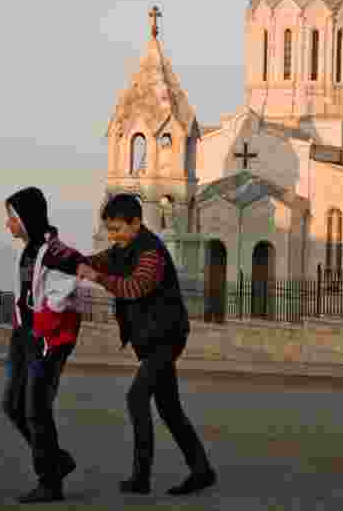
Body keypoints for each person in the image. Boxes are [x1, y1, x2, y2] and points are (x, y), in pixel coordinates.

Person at [77, 193, 216, 496]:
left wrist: (97, 277)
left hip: (166, 336)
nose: (112, 236)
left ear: (136, 223)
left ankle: (141, 478)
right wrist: (63, 259)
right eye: (109, 229)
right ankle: (202, 470)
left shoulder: (150, 252)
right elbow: (91, 261)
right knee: (169, 408)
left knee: (136, 398)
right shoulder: (122, 248)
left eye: (117, 229)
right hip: (152, 338)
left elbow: (134, 287)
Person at [2, 186, 91, 504]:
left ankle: (49, 480)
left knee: (36, 408)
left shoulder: (56, 252)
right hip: (23, 336)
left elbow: (75, 271)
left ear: (26, 218)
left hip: (47, 340)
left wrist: (44, 327)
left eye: (11, 218)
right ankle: (57, 459)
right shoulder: (30, 250)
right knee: (13, 405)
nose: (8, 224)